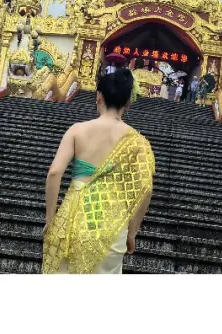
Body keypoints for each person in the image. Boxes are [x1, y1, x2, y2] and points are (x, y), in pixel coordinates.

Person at [42, 68, 156, 273]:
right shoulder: (138, 143)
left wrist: (50, 220)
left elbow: (54, 172)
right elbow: (145, 190)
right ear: (128, 103)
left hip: (71, 219)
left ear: (99, 97)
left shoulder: (77, 130)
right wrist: (132, 233)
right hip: (111, 225)